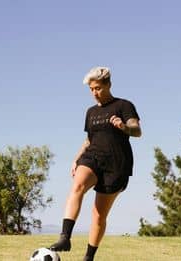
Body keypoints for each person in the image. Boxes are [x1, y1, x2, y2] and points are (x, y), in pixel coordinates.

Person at [49, 67, 142, 261]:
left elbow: (137, 130)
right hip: (93, 157)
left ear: (108, 85)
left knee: (98, 215)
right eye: (91, 89)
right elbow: (90, 139)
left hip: (116, 164)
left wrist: (124, 127)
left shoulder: (124, 105)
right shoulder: (91, 112)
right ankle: (65, 237)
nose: (94, 93)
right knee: (78, 185)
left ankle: (88, 257)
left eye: (98, 88)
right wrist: (76, 158)